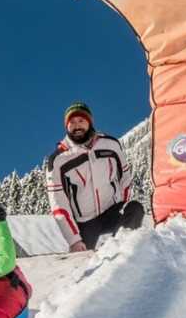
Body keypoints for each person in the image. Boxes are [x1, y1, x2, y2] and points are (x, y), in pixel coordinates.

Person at [45, 101, 144, 252]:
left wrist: (121, 201)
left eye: (81, 120)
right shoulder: (58, 160)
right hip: (85, 222)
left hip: (112, 211)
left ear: (89, 122)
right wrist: (74, 240)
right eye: (72, 122)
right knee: (83, 264)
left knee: (135, 209)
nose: (77, 126)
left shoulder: (110, 145)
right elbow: (58, 203)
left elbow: (125, 175)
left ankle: (122, 253)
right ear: (66, 126)